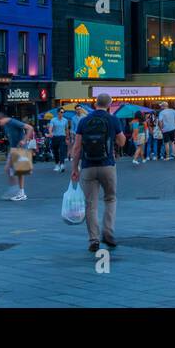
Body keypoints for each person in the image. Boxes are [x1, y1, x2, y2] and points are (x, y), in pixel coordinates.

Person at [70, 93, 126, 253]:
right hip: (107, 165)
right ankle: (108, 232)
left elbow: (77, 147)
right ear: (109, 104)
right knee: (110, 199)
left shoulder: (84, 120)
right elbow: (122, 141)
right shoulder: (112, 119)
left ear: (95, 103)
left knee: (90, 204)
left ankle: (93, 239)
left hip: (88, 166)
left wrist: (75, 168)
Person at [0, 113, 34, 200]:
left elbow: (30, 128)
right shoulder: (6, 125)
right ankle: (17, 191)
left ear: (1, 119)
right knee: (10, 169)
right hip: (13, 149)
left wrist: (24, 140)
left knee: (19, 170)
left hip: (19, 149)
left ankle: (19, 192)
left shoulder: (13, 122)